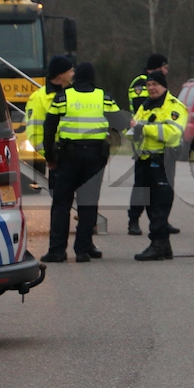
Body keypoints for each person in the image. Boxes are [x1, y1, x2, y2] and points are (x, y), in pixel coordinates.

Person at [40, 62, 119, 263]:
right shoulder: (104, 97)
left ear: (76, 77)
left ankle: (57, 250)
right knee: (88, 203)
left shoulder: (63, 97)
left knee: (61, 203)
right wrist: (109, 146)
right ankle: (83, 250)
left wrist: (49, 157)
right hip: (95, 156)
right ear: (93, 78)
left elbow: (49, 128)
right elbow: (119, 123)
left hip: (68, 157)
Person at [128, 72, 188, 261]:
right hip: (144, 160)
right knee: (150, 204)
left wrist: (143, 129)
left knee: (160, 204)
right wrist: (131, 130)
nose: (151, 88)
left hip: (162, 161)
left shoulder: (174, 107)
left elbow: (172, 133)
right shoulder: (145, 106)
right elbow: (133, 130)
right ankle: (164, 246)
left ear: (164, 86)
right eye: (149, 84)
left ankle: (157, 244)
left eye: (155, 84)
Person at [127, 53, 178, 237]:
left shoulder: (168, 98)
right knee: (142, 184)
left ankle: (161, 220)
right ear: (155, 68)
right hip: (142, 139)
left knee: (164, 185)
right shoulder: (140, 83)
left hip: (161, 145)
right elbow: (141, 106)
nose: (166, 71)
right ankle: (134, 219)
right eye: (164, 67)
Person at [26, 54, 74, 158]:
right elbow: (35, 133)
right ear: (60, 75)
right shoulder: (38, 99)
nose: (73, 74)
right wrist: (51, 155)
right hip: (57, 157)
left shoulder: (75, 93)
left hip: (77, 156)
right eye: (70, 71)